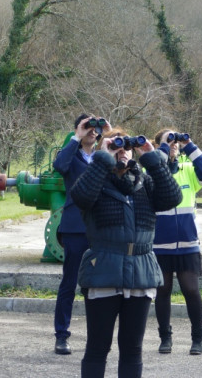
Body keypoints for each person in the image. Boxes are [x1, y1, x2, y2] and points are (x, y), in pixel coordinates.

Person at [70, 127, 182, 378]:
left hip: (140, 271)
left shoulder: (144, 182)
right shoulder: (95, 179)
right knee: (98, 347)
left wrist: (152, 158)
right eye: (116, 147)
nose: (122, 152)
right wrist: (103, 156)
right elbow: (81, 197)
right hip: (104, 271)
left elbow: (172, 197)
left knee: (133, 348)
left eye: (126, 148)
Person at [152, 128, 202, 356]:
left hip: (188, 243)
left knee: (191, 289)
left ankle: (197, 338)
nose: (173, 145)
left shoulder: (188, 170)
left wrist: (189, 145)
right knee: (163, 290)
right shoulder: (152, 171)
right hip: (160, 245)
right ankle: (165, 337)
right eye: (167, 142)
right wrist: (161, 151)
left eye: (175, 142)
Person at [51, 114, 109, 355]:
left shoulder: (104, 156)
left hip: (101, 227)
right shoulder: (71, 155)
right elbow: (59, 166)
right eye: (88, 127)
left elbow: (124, 169)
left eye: (95, 128)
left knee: (100, 285)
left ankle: (97, 338)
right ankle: (61, 336)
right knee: (69, 283)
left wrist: (110, 134)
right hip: (75, 227)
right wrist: (77, 136)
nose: (92, 132)